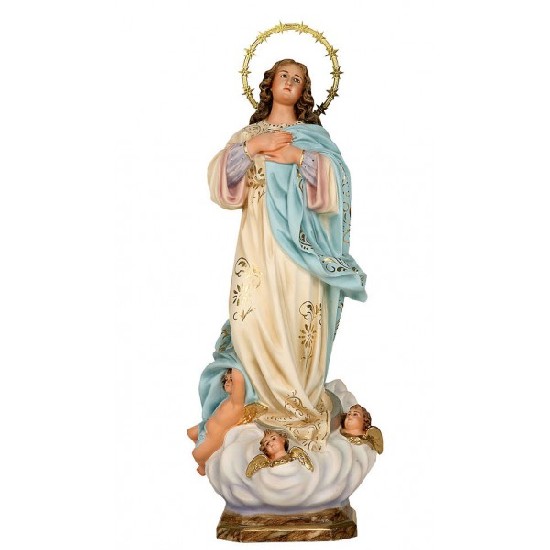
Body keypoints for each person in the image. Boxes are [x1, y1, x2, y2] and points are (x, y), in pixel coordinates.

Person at [192, 59, 366, 470]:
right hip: (257, 248)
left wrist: (298, 155)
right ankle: (258, 407)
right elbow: (223, 187)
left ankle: (297, 405)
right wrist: (254, 148)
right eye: (284, 75)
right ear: (269, 84)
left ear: (304, 90)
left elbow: (338, 184)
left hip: (301, 254)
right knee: (253, 320)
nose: (290, 82)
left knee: (296, 319)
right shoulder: (248, 137)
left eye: (298, 78)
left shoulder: (313, 139)